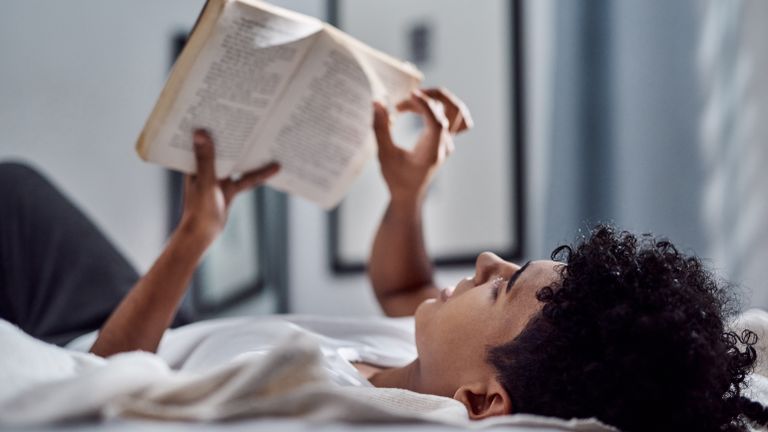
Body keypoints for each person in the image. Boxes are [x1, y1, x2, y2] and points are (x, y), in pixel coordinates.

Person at [0, 87, 766, 431]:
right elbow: (400, 283)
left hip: (115, 337)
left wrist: (195, 240)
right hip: (184, 327)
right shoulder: (434, 354)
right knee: (17, 189)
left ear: (483, 403)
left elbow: (100, 375)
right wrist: (406, 199)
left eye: (502, 289)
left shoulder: (316, 400)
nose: (492, 258)